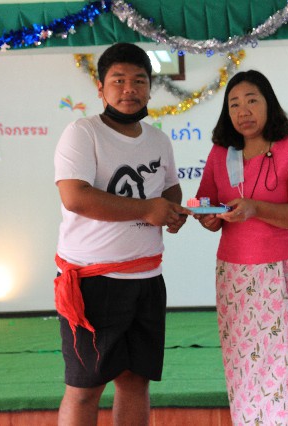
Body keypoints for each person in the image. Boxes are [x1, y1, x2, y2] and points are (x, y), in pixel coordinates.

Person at [53, 43, 189, 426]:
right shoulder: (82, 132)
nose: (129, 89)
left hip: (147, 279)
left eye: (139, 81)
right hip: (94, 281)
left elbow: (171, 189)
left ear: (150, 88)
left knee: (135, 381)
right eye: (118, 80)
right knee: (85, 389)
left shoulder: (158, 139)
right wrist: (147, 209)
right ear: (101, 88)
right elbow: (75, 197)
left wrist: (173, 212)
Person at [193, 70, 288, 425]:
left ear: (269, 103)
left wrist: (256, 208)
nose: (243, 111)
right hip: (235, 275)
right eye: (234, 104)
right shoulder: (221, 153)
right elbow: (207, 203)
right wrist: (208, 218)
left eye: (252, 100)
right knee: (245, 362)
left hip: (286, 271)